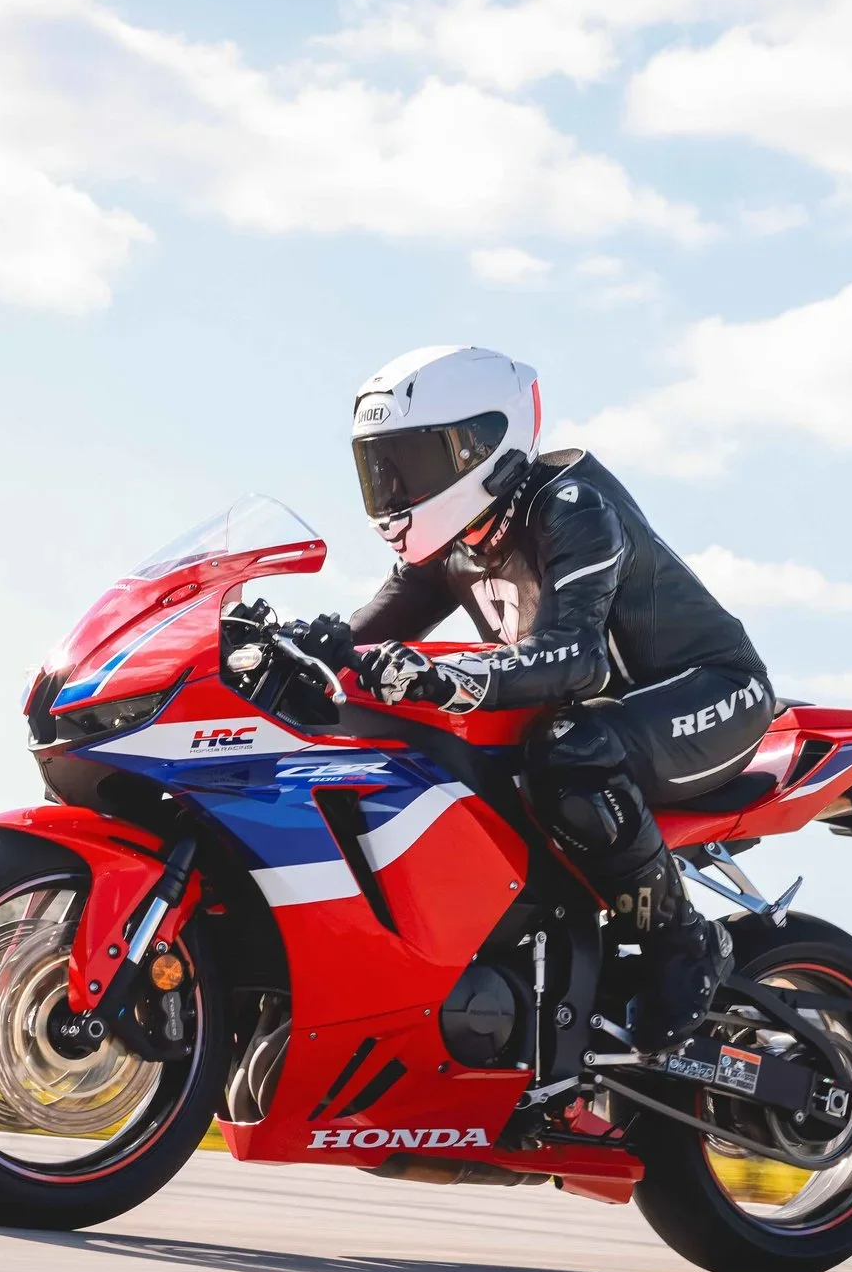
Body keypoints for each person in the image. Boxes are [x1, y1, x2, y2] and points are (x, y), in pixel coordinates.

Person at [297, 344, 775, 1051]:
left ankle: (686, 943)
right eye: (383, 468)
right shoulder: (451, 541)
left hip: (712, 693)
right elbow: (361, 638)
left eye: (414, 463)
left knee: (568, 750)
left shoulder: (573, 507)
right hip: (602, 714)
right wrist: (280, 648)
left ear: (486, 446)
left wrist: (453, 678)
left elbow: (577, 657)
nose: (396, 490)